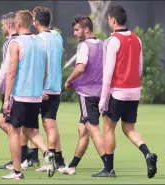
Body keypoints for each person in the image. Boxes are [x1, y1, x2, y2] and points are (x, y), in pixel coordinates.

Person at [93, 5, 158, 178]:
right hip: (134, 90)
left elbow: (108, 74)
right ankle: (147, 154)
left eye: (108, 19)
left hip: (117, 91)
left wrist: (103, 99)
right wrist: (132, 82)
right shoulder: (137, 39)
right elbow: (140, 67)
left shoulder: (112, 41)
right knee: (129, 128)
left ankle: (109, 169)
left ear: (113, 20)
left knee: (108, 128)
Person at [1, 10, 55, 180]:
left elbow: (11, 73)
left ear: (17, 24)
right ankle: (47, 152)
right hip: (35, 95)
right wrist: (39, 89)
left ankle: (17, 171)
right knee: (30, 130)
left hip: (20, 95)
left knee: (13, 131)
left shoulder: (15, 43)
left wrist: (7, 98)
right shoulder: (40, 42)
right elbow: (46, 71)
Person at [63, 16, 106, 175]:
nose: (74, 33)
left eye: (77, 30)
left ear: (86, 29)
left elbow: (81, 68)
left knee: (93, 129)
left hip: (86, 94)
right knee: (83, 130)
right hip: (100, 94)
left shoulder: (84, 46)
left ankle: (108, 166)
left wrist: (69, 80)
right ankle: (72, 165)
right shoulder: (103, 45)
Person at [29, 6, 66, 173]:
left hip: (42, 89)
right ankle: (59, 160)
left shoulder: (38, 39)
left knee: (36, 126)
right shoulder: (57, 36)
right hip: (56, 87)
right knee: (51, 124)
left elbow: (37, 66)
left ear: (36, 22)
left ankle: (45, 158)